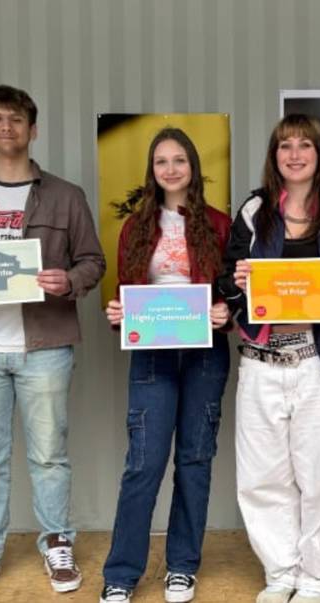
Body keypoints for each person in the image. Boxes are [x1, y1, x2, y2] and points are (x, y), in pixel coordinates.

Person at [0, 84, 106, 602]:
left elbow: (93, 262)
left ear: (33, 129)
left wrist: (68, 282)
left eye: (16, 119)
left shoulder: (66, 196)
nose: (6, 127)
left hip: (46, 345)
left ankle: (58, 543)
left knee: (49, 455)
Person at [217, 114, 320, 603]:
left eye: (306, 145)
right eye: (286, 146)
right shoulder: (253, 211)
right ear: (275, 155)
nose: (296, 154)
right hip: (262, 362)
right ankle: (281, 571)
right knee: (263, 476)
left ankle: (318, 577)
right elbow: (227, 278)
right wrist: (239, 284)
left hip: (318, 364)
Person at [99, 128, 233, 603]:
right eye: (161, 162)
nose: (171, 169)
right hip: (153, 356)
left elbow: (234, 292)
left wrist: (226, 311)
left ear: (193, 167)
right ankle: (120, 573)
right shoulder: (135, 227)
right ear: (151, 171)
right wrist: (117, 313)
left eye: (179, 160)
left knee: (195, 462)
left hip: (205, 356)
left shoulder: (219, 224)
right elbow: (124, 295)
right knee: (143, 464)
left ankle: (182, 566)